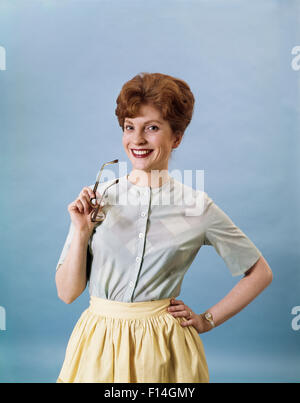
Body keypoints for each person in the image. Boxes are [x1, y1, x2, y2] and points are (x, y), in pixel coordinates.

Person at [55, 72, 273, 383]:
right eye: (130, 127)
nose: (138, 140)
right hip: (97, 345)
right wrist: (80, 230)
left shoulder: (197, 206)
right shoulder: (97, 198)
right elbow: (66, 293)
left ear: (177, 138)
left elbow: (260, 272)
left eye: (152, 128)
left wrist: (207, 320)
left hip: (163, 349)